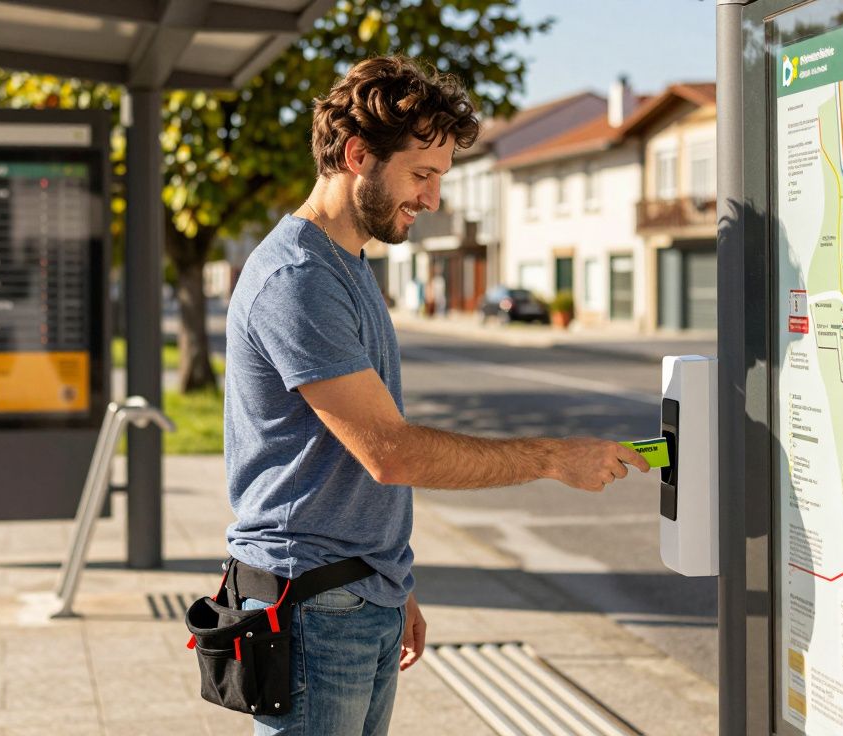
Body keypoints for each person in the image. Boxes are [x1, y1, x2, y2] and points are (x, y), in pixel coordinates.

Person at [222, 56, 651, 735]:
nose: (433, 199)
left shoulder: (350, 262)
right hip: (312, 610)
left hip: (355, 595)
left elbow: (346, 456)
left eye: (440, 178)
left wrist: (394, 579)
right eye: (422, 175)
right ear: (358, 155)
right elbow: (389, 452)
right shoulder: (297, 278)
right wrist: (549, 459)